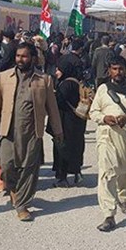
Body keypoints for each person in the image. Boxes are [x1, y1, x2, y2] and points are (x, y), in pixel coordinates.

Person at [0, 42, 63, 222]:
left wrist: (57, 130)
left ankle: (22, 205)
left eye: (24, 56)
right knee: (7, 166)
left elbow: (53, 108)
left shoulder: (44, 80)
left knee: (29, 169)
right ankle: (13, 190)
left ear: (33, 58)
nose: (20, 59)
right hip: (8, 131)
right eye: (18, 56)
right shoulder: (4, 77)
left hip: (32, 132)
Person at [88, 55, 126, 232]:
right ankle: (109, 215)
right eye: (114, 69)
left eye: (121, 68)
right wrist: (103, 118)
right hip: (106, 136)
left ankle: (124, 198)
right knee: (106, 173)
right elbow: (93, 112)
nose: (118, 72)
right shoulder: (103, 89)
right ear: (109, 71)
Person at [53, 55, 88, 187]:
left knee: (63, 148)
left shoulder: (66, 84)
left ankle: (62, 177)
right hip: (78, 120)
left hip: (66, 121)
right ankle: (77, 172)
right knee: (77, 146)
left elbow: (59, 102)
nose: (56, 72)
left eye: (58, 69)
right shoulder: (78, 81)